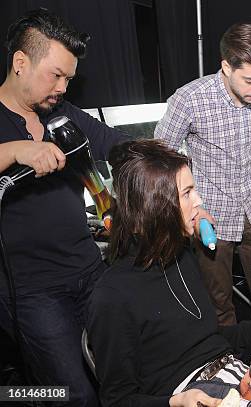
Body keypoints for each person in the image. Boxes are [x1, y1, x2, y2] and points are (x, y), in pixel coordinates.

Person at [88, 139, 251, 407]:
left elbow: (213, 338)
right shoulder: (112, 297)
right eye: (187, 193)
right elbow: (117, 401)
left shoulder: (182, 256)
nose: (198, 200)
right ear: (156, 206)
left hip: (234, 375)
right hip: (191, 395)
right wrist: (175, 402)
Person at [0, 9, 127, 405]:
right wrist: (17, 150)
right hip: (33, 293)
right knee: (74, 394)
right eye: (55, 75)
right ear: (21, 63)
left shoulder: (63, 115)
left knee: (122, 377)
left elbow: (114, 144)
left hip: (89, 272)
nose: (63, 87)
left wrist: (154, 157)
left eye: (69, 78)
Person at [155, 22, 251, 326]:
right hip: (209, 213)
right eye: (250, 80)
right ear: (226, 67)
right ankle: (228, 365)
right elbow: (160, 160)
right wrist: (192, 209)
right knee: (219, 303)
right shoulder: (189, 99)